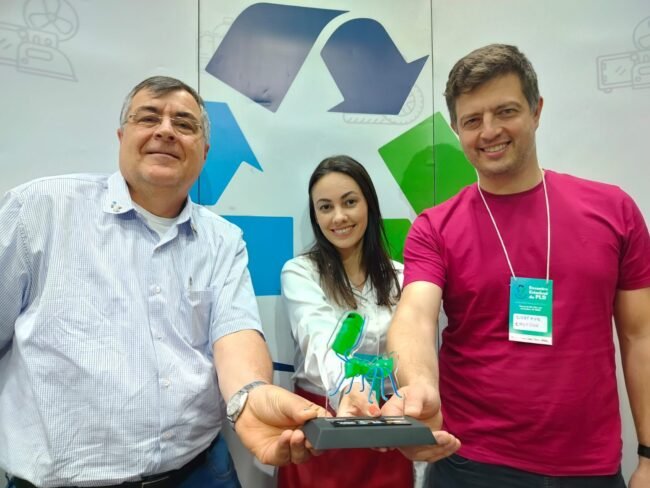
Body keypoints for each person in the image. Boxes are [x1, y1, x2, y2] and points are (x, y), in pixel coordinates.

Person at [0, 76, 327, 488]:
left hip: (199, 470)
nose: (166, 131)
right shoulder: (39, 210)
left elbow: (235, 334)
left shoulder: (222, 239)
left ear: (204, 152)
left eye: (184, 124)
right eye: (149, 118)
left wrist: (250, 397)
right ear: (121, 136)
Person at [381, 44, 650, 487]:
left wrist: (649, 455)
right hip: (469, 463)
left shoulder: (613, 211)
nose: (489, 131)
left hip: (590, 469)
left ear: (536, 110)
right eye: (472, 121)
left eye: (505, 111)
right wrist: (420, 389)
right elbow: (414, 317)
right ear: (456, 129)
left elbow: (640, 336)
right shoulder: (435, 227)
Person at [277, 156, 459, 488]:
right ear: (316, 216)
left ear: (369, 205)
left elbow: (415, 347)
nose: (339, 217)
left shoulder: (402, 277)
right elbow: (318, 338)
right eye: (325, 207)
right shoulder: (301, 272)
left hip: (387, 426)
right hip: (322, 426)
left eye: (349, 202)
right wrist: (352, 393)